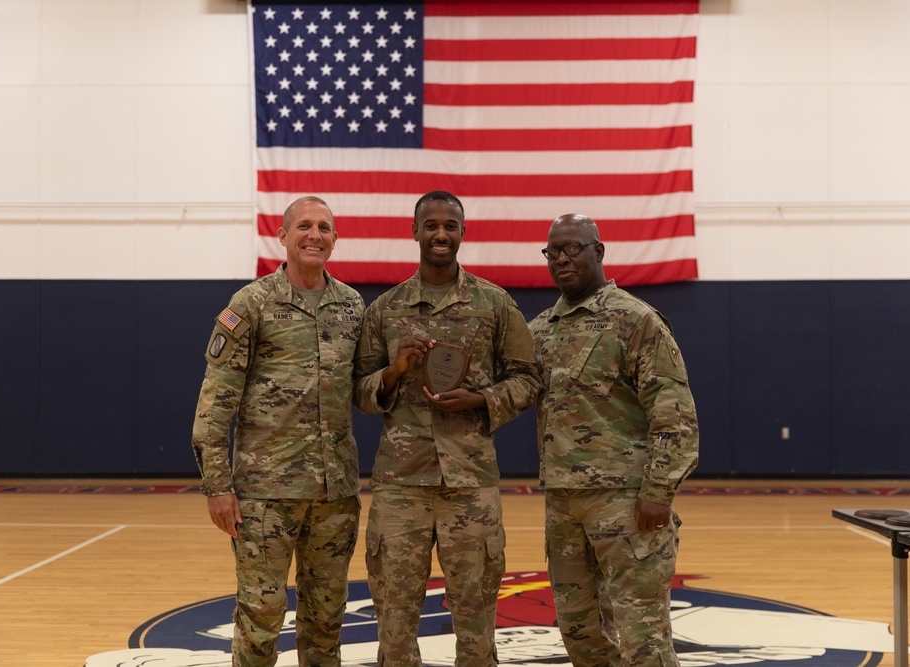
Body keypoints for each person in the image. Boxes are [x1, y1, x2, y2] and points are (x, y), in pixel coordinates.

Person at [353, 190, 541, 667]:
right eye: (431, 225)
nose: (440, 234)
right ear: (414, 231)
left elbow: (530, 378)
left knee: (476, 627)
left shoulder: (494, 303)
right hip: (401, 486)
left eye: (449, 225)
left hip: (469, 484)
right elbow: (358, 391)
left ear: (463, 231)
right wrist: (395, 372)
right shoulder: (385, 309)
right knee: (394, 628)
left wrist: (483, 399)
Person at [191, 196, 364, 667]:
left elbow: (364, 389)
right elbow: (214, 405)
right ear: (283, 236)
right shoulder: (250, 304)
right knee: (262, 614)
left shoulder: (351, 306)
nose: (315, 235)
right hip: (264, 495)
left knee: (326, 618)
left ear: (334, 239)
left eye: (324, 227)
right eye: (304, 226)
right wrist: (218, 487)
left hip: (334, 494)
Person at [528, 214, 699, 667]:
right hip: (563, 503)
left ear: (598, 251)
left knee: (644, 636)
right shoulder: (541, 329)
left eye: (573, 248)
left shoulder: (635, 320)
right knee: (580, 632)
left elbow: (674, 414)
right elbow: (509, 390)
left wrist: (658, 492)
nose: (562, 259)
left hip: (626, 502)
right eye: (553, 252)